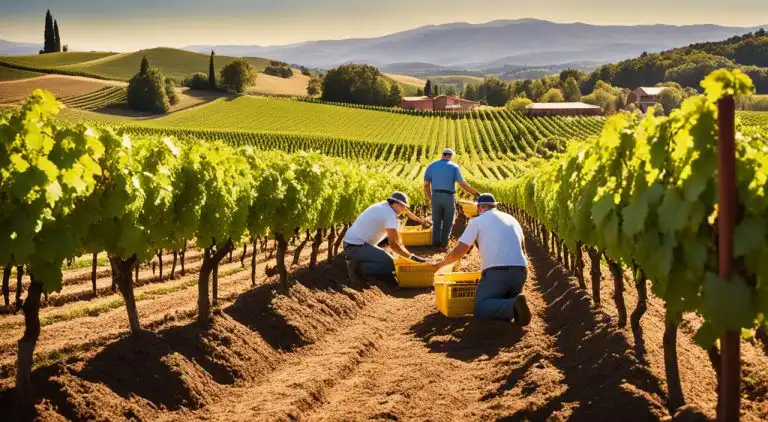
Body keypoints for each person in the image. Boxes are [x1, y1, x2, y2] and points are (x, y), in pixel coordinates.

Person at [432, 193, 531, 325]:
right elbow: (523, 249)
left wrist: (442, 263)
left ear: (480, 208)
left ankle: (512, 305)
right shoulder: (512, 219)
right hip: (520, 272)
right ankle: (513, 305)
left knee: (481, 307)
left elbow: (460, 250)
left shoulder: (477, 221)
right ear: (494, 206)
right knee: (506, 303)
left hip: (497, 272)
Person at [344, 192, 429, 285]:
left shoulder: (385, 206)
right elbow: (394, 244)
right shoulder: (389, 215)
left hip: (357, 243)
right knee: (390, 264)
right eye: (403, 206)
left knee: (387, 258)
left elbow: (407, 214)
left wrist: (421, 222)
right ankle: (358, 269)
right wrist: (411, 257)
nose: (404, 209)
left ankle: (359, 262)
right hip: (355, 247)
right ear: (396, 204)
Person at [424, 148, 479, 249]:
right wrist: (474, 192)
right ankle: (444, 244)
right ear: (450, 156)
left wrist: (430, 197)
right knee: (448, 221)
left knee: (436, 221)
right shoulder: (454, 167)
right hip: (448, 197)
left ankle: (435, 244)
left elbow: (426, 184)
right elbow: (462, 183)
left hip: (436, 196)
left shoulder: (431, 166)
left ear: (442, 155)